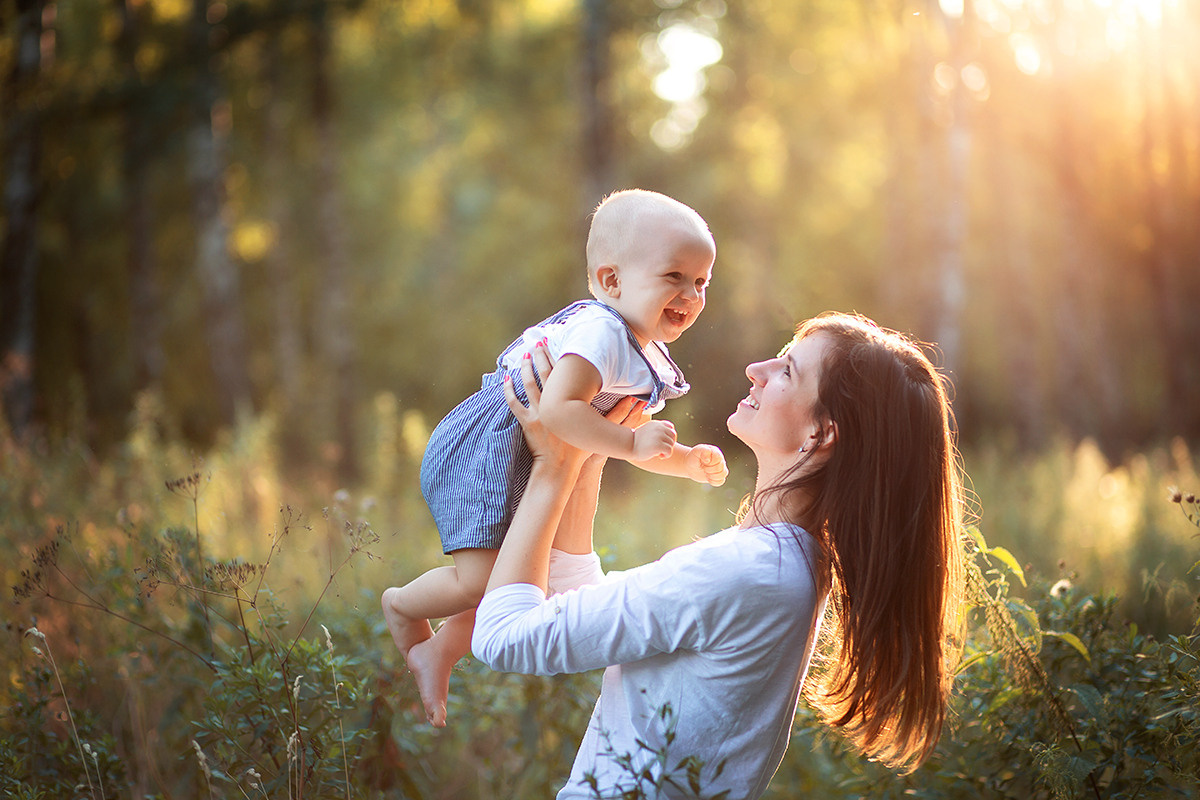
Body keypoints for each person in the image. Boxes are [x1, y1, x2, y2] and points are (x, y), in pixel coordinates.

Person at [472, 312, 968, 799]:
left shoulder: (750, 571)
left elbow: (504, 638)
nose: (758, 369)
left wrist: (552, 468)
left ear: (821, 434)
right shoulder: (789, 563)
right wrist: (586, 457)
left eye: (787, 371)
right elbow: (588, 605)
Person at [382, 189, 729, 727]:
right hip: (485, 446)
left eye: (702, 282)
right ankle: (403, 605)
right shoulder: (600, 333)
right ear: (612, 281)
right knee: (481, 582)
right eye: (674, 276)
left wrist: (680, 460)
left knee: (523, 582)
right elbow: (562, 411)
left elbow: (615, 431)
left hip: (523, 449)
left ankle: (440, 651)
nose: (691, 294)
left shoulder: (640, 350)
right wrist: (635, 445)